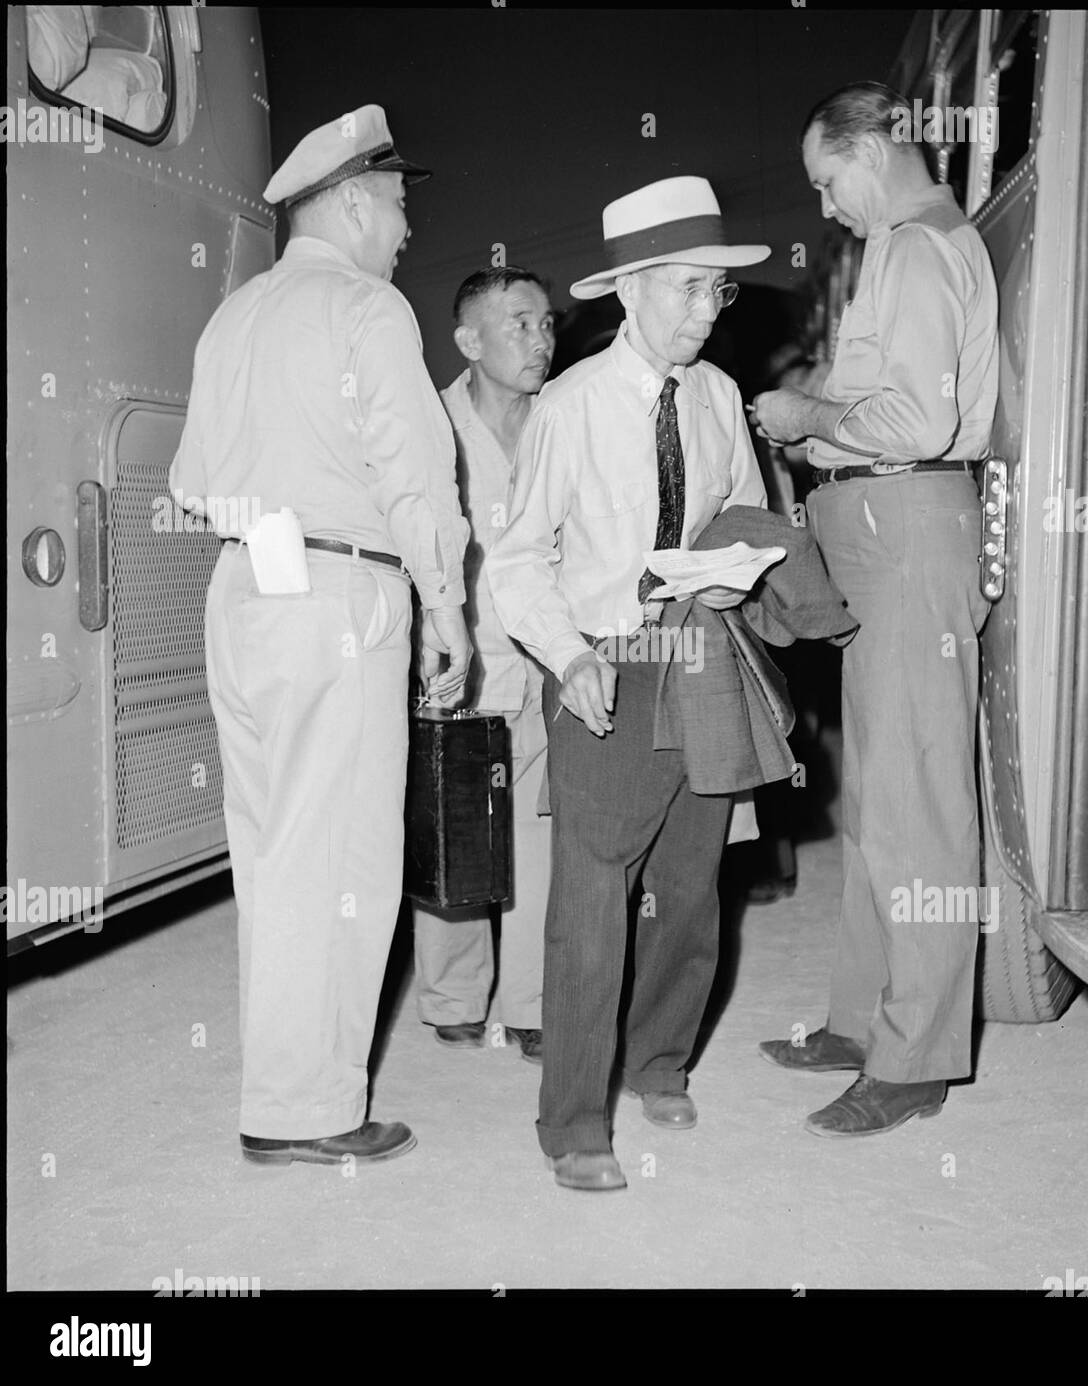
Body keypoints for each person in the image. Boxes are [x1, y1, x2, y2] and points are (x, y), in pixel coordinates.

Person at [171, 105, 470, 1166]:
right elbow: (415, 480)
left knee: (272, 855)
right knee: (342, 856)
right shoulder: (366, 309)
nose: (402, 231)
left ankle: (282, 1092)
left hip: (243, 591)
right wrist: (448, 609)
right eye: (395, 206)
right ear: (350, 200)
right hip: (338, 594)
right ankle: (309, 1112)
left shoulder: (233, 316)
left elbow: (194, 483)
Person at [486, 176, 770, 1191]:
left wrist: (734, 564)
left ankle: (659, 1060)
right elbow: (514, 563)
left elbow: (747, 512)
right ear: (633, 289)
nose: (705, 311)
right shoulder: (566, 408)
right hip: (605, 663)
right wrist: (567, 658)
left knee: (691, 888)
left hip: (698, 653)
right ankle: (571, 1122)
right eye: (689, 289)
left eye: (716, 294)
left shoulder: (719, 398)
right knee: (591, 901)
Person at [752, 82, 998, 1136]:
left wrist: (805, 415)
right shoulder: (899, 249)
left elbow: (918, 415)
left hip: (906, 536)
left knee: (918, 811)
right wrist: (817, 432)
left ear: (873, 148)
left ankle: (917, 1059)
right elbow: (881, 407)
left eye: (827, 180)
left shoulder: (915, 245)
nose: (826, 206)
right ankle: (864, 1020)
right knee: (875, 809)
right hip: (879, 534)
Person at [412, 267, 556, 1065]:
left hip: (545, 658)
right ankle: (454, 998)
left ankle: (531, 1003)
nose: (540, 339)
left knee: (539, 829)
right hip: (461, 658)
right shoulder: (427, 423)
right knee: (454, 818)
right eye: (520, 324)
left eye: (545, 324)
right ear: (469, 341)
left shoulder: (562, 417)